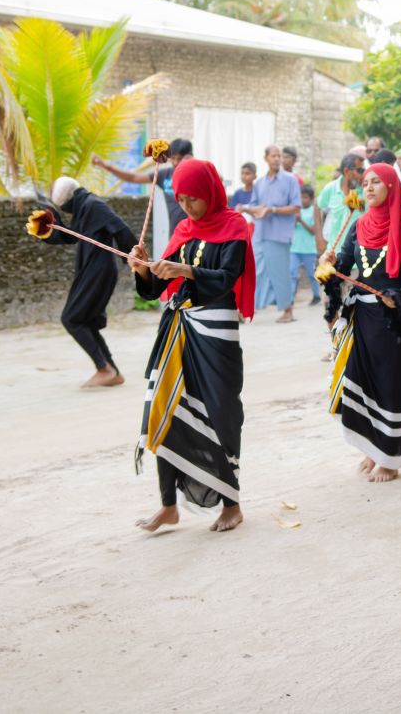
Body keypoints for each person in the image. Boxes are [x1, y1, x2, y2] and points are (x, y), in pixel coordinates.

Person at [128, 159, 255, 534]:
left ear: (211, 192)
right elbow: (158, 290)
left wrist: (186, 271)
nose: (186, 207)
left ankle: (231, 503)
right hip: (177, 328)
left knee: (220, 412)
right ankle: (168, 504)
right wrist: (143, 271)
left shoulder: (234, 226)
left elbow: (227, 278)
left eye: (193, 199)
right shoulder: (184, 228)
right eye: (180, 199)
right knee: (166, 406)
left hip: (216, 332)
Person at [322, 164, 401, 482]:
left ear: (392, 187)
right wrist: (330, 265)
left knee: (391, 383)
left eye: (376, 182)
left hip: (393, 318)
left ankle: (391, 458)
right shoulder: (358, 226)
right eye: (365, 183)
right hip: (364, 317)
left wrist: (398, 296)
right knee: (365, 380)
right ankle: (372, 447)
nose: (368, 188)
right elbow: (343, 264)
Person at [41, 177, 137, 388]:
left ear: (69, 200)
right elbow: (72, 236)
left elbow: (121, 229)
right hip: (93, 270)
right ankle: (111, 371)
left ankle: (105, 368)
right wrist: (48, 231)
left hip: (98, 271)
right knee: (83, 320)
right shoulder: (84, 207)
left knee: (71, 318)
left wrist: (135, 259)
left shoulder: (93, 205)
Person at [243, 145, 302, 323]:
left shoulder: (290, 180)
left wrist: (272, 209)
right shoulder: (260, 183)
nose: (277, 159)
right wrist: (252, 209)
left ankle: (288, 311)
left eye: (279, 156)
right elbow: (252, 206)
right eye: (274, 156)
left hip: (279, 235)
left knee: (280, 273)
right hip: (260, 234)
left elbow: (296, 207)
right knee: (253, 271)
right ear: (266, 158)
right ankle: (246, 309)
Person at [92, 138, 194, 232]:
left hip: (195, 233)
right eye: (173, 158)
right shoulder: (165, 175)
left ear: (189, 157)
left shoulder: (196, 175)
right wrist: (107, 166)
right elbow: (133, 177)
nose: (176, 162)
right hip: (176, 234)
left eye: (179, 159)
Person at [317, 153, 366, 252]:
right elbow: (317, 206)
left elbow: (367, 212)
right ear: (347, 171)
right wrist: (319, 238)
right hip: (333, 254)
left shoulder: (365, 191)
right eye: (359, 170)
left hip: (357, 258)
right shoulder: (331, 188)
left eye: (363, 170)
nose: (363, 175)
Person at [291, 184, 322, 307]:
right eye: (301, 197)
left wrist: (301, 221)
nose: (302, 200)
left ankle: (316, 296)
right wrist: (294, 221)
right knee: (292, 273)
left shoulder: (314, 211)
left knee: (311, 274)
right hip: (294, 248)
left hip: (309, 249)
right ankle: (290, 298)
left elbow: (314, 231)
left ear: (311, 198)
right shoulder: (295, 210)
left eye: (305, 197)